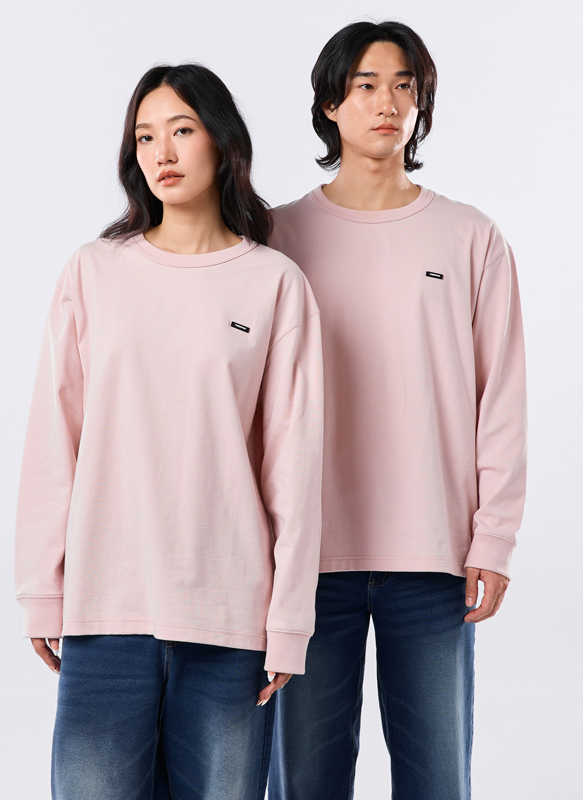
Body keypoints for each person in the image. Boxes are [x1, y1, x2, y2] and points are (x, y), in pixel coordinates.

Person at [13, 62, 324, 800]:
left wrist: (289, 620)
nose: (163, 152)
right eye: (146, 136)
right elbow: (54, 438)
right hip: (104, 612)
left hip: (230, 620)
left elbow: (294, 465)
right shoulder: (93, 272)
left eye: (181, 130)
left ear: (222, 141)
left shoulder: (274, 282)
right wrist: (41, 590)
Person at [266, 19, 527, 800]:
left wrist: (494, 536)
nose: (388, 103)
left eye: (405, 86)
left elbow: (501, 396)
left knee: (439, 781)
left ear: (422, 104)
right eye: (366, 85)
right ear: (329, 103)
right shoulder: (277, 237)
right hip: (305, 561)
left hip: (434, 556)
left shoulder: (471, 237)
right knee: (305, 782)